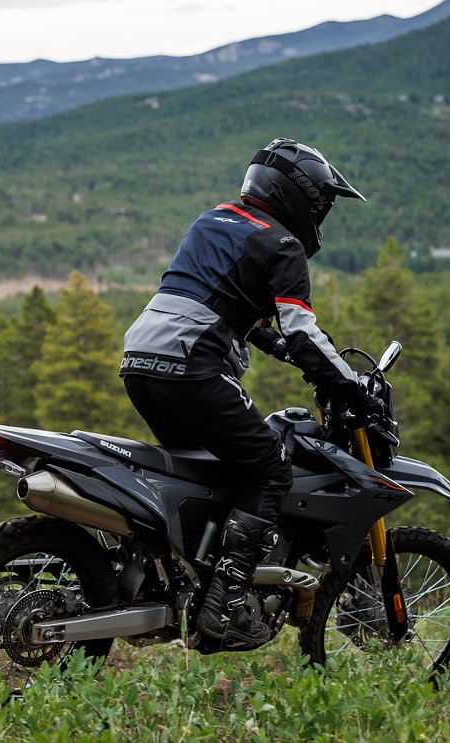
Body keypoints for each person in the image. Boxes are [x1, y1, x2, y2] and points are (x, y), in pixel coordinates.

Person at [119, 137, 384, 645]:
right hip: (191, 363)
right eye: (321, 204)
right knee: (269, 467)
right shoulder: (281, 244)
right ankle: (226, 606)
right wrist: (350, 388)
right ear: (296, 195)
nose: (321, 215)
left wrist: (270, 343)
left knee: (198, 474)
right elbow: (304, 332)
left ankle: (173, 580)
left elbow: (208, 292)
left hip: (139, 359)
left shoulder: (213, 220)